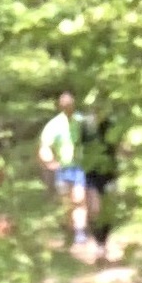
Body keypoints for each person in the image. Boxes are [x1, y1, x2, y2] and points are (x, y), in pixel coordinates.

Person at [37, 89, 89, 255]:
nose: (68, 107)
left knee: (79, 199)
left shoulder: (82, 121)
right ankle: (71, 231)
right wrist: (50, 161)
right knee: (67, 203)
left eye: (70, 104)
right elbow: (45, 147)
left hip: (80, 167)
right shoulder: (54, 125)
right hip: (63, 169)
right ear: (60, 106)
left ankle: (80, 235)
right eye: (64, 105)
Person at [78, 107, 119, 257]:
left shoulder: (112, 124)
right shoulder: (85, 126)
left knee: (108, 208)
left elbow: (118, 145)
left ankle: (104, 240)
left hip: (109, 172)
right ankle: (98, 241)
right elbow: (78, 146)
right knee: (94, 209)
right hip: (91, 172)